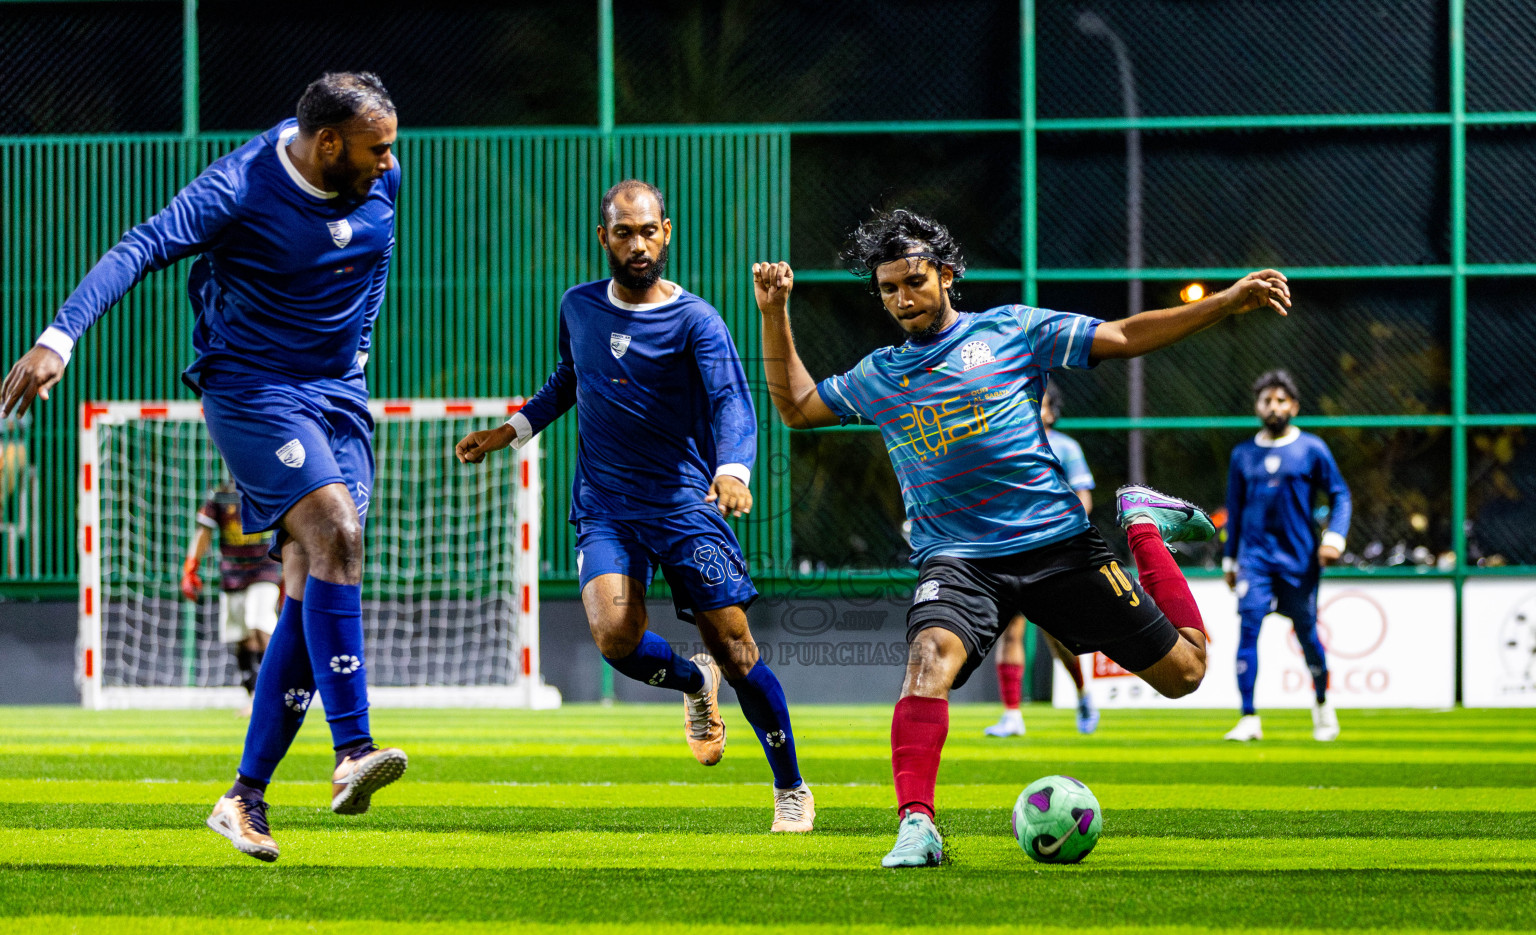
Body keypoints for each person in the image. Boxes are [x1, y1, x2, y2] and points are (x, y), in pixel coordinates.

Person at [751, 208, 1291, 868]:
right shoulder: (880, 374)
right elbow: (796, 407)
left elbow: (1121, 336)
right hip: (957, 560)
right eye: (888, 288)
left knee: (1186, 673)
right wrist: (773, 310)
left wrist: (1226, 302)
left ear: (947, 274)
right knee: (927, 662)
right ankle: (916, 827)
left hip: (1057, 544)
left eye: (914, 281)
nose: (901, 299)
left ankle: (1143, 525)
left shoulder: (1010, 330)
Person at [0, 72, 409, 863]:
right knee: (337, 533)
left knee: (308, 579)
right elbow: (140, 246)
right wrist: (61, 336)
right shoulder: (241, 187)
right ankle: (353, 749)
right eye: (375, 149)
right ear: (328, 144)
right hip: (252, 387)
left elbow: (378, 254)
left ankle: (243, 799)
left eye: (390, 146)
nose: (389, 162)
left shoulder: (383, 170)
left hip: (338, 393)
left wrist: (358, 351)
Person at [456, 179, 814, 833]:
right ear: (604, 239)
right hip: (605, 504)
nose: (638, 243)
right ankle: (689, 684)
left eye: (649, 230)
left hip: (684, 502)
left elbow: (732, 400)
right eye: (624, 232)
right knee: (615, 636)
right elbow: (567, 380)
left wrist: (733, 470)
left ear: (666, 233)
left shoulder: (697, 320)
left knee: (737, 651)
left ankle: (790, 788)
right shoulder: (577, 307)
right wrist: (507, 432)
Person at [1222, 369, 1352, 743]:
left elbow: (1341, 495)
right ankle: (1248, 717)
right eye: (1267, 400)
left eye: (1281, 400)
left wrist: (1335, 539)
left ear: (1293, 406)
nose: (1274, 407)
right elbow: (1235, 506)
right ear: (1257, 407)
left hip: (1299, 560)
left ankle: (1323, 704)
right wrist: (1230, 561)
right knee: (1248, 630)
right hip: (1254, 560)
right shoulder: (1242, 454)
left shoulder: (1312, 449)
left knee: (1308, 634)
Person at [985, 381, 1100, 737]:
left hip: (1052, 553)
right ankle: (1012, 715)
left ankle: (1083, 695)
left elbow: (1084, 499)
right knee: (1010, 631)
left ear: (1051, 411)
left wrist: (1062, 534)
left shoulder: (1066, 448)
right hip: (1011, 549)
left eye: (1041, 403)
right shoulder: (1005, 446)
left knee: (1058, 637)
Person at [181, 480, 284, 716]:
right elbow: (203, 531)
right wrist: (191, 566)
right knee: (243, 637)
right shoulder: (221, 495)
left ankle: (276, 692)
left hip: (265, 570)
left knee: (260, 623)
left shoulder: (269, 487)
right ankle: (255, 696)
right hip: (233, 575)